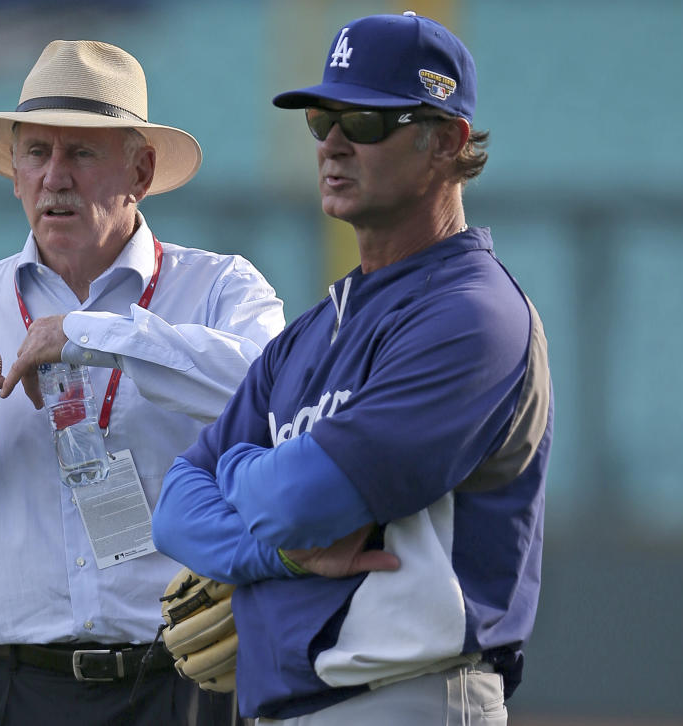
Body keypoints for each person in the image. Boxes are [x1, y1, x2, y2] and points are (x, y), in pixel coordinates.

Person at [0, 39, 285, 726]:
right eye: (36, 152)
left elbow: (268, 391)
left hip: (182, 689)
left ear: (142, 170)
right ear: (14, 172)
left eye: (83, 152)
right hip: (12, 691)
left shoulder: (221, 288)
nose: (54, 176)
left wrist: (91, 337)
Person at [153, 12, 552, 725]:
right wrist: (288, 559)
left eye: (366, 121)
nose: (332, 144)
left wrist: (240, 469)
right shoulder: (308, 335)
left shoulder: (473, 316)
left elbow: (296, 503)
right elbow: (177, 509)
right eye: (320, 119)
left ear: (447, 140)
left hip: (407, 698)